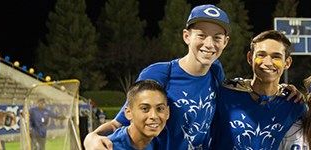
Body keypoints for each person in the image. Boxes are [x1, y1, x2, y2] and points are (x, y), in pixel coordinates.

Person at [84, 4, 231, 150]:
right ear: (186, 36)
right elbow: (121, 122)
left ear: (225, 42)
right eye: (201, 35)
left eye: (217, 38)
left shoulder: (216, 71)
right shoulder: (160, 73)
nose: (209, 44)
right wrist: (92, 137)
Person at [210, 30, 306, 149]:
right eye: (261, 55)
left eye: (276, 57)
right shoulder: (225, 94)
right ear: (250, 58)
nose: (268, 63)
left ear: (287, 63)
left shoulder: (294, 104)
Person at [107, 80, 169, 150]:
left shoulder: (160, 139)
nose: (154, 116)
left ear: (167, 112)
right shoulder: (109, 146)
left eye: (159, 109)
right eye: (145, 108)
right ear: (128, 113)